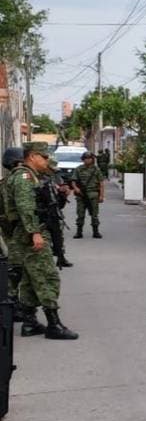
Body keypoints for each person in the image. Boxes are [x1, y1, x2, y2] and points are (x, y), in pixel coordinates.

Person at [2, 142, 77, 339]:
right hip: (31, 234)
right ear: (32, 156)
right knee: (47, 276)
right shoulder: (24, 177)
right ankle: (54, 324)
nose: (47, 161)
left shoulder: (33, 176)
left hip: (28, 233)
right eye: (44, 157)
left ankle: (29, 322)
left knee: (29, 279)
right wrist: (34, 233)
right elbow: (25, 207)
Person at [42, 158, 73, 268]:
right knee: (45, 239)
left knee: (58, 235)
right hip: (44, 212)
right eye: (51, 169)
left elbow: (60, 198)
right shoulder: (38, 178)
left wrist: (64, 193)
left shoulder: (55, 177)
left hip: (54, 210)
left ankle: (61, 257)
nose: (53, 171)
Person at [72, 151, 104, 239]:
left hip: (93, 194)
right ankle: (79, 232)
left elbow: (101, 183)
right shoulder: (78, 169)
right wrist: (76, 188)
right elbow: (73, 181)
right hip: (81, 195)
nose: (87, 160)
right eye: (86, 158)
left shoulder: (96, 170)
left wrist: (101, 196)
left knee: (94, 214)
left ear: (92, 159)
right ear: (83, 159)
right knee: (80, 214)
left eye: (89, 158)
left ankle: (95, 231)